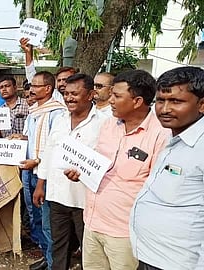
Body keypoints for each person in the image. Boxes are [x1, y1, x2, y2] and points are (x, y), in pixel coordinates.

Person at [64, 69, 170, 270]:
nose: (110, 100)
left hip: (124, 233)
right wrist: (82, 173)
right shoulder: (108, 125)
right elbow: (98, 166)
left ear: (137, 101)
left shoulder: (161, 135)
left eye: (117, 96)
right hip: (93, 223)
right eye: (111, 93)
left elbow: (158, 190)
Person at [130, 66, 204, 270]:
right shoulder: (174, 137)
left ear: (202, 104)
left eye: (176, 101)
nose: (164, 109)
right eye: (160, 101)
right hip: (151, 257)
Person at [35, 73, 107, 270]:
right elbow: (49, 150)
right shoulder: (60, 119)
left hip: (85, 199)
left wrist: (84, 173)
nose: (69, 98)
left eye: (75, 94)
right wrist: (41, 184)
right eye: (66, 94)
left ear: (91, 94)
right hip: (57, 195)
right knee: (59, 244)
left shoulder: (104, 123)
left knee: (88, 247)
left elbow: (105, 161)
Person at [10, 71, 66, 270]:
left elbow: (55, 145)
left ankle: (53, 264)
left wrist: (37, 161)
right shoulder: (34, 111)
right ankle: (45, 256)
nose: (31, 89)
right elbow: (33, 140)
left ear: (47, 89)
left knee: (48, 221)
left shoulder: (58, 113)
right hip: (29, 171)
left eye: (35, 86)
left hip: (45, 174)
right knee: (35, 217)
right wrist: (20, 138)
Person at [20, 37, 76, 104]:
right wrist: (28, 52)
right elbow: (31, 74)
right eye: (59, 80)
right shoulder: (54, 96)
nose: (61, 83)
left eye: (65, 80)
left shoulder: (82, 97)